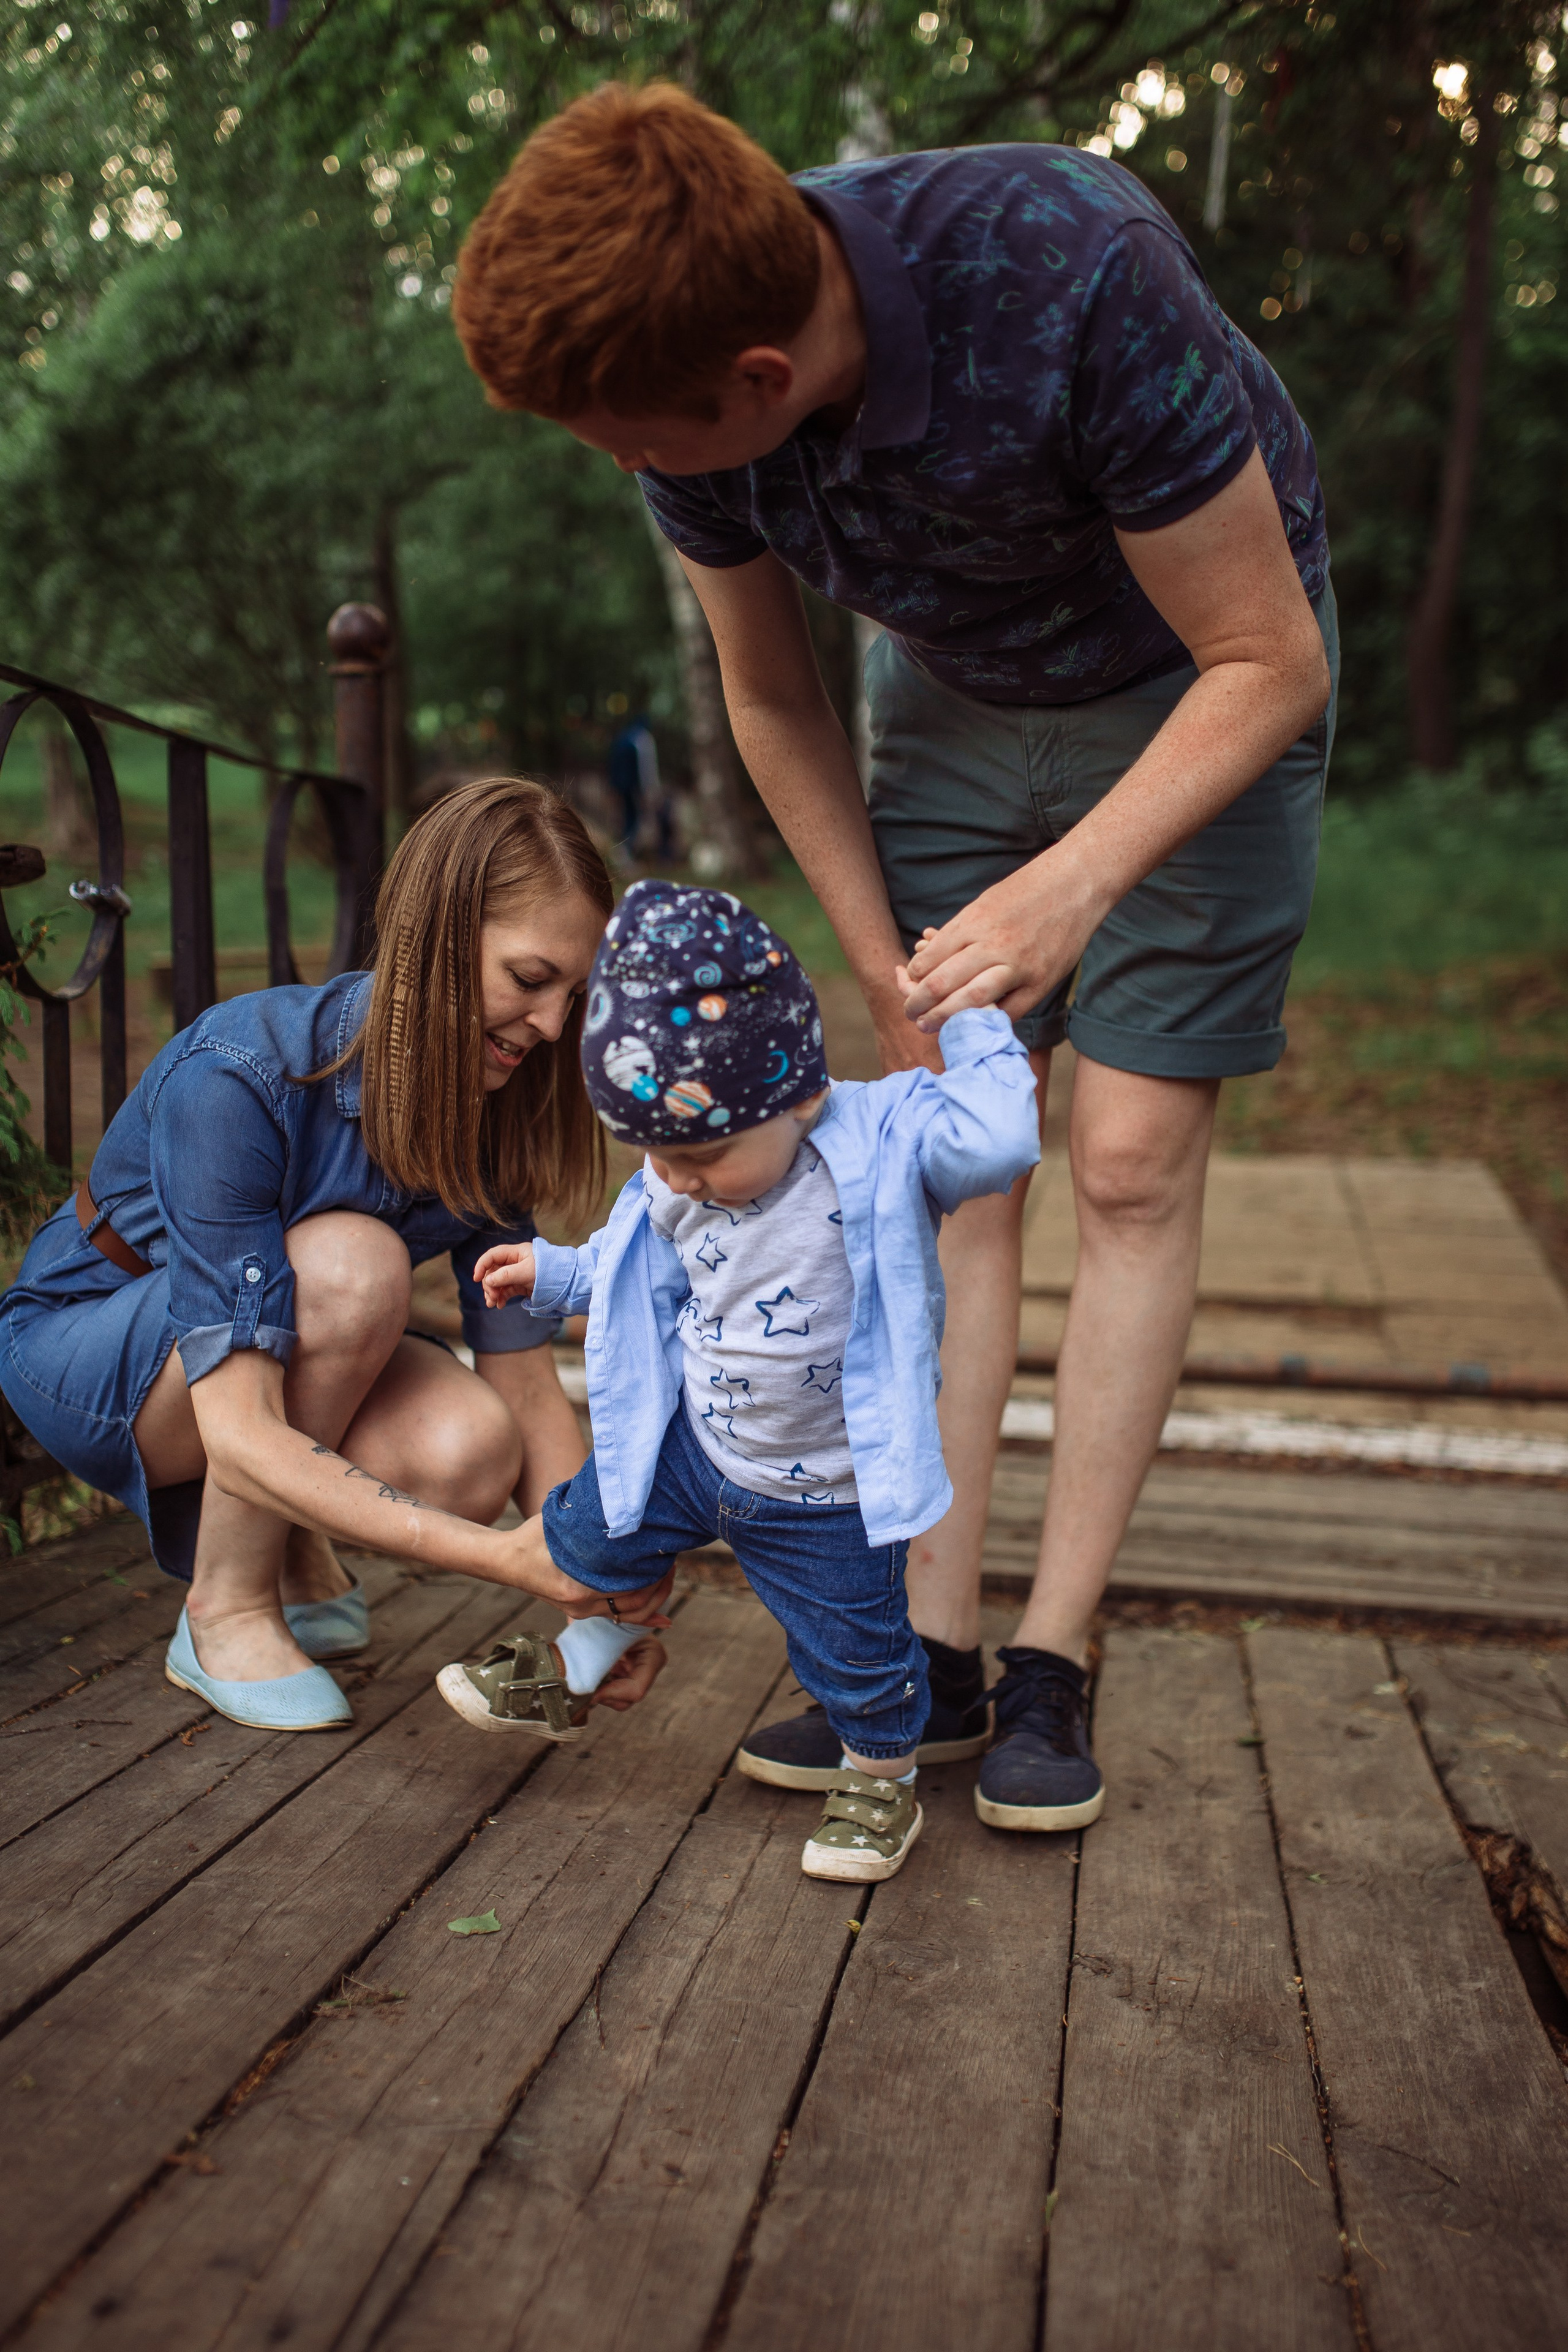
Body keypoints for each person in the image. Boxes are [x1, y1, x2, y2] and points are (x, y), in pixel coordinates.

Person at [451, 84, 1337, 1829]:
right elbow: (772, 693)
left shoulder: (1074, 273)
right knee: (945, 1177)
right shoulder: (688, 380)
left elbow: (1270, 657)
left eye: (632, 442)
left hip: (1201, 682)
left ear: (758, 380)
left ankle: (1054, 1655)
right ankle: (934, 1650)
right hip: (944, 697)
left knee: (1128, 1162)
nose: (625, 467)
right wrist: (877, 966)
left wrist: (1072, 886)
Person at [0, 780, 670, 1733]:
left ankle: (292, 1557)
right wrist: (504, 1559)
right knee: (354, 1268)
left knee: (470, 1449)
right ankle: (226, 1607)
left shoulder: (487, 1110)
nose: (555, 1027)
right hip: (94, 1348)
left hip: (264, 1353)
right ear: (437, 938)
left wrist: (594, 1593)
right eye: (530, 979)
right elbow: (238, 1425)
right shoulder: (239, 1074)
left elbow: (526, 1383)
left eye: (576, 996)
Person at [434, 880, 1041, 1877]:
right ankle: (576, 1664)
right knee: (586, 1534)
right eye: (654, 1154)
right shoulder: (676, 1168)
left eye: (703, 1154)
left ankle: (881, 1784)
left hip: (826, 1488)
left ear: (798, 1097)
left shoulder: (888, 1137)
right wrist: (557, 1274)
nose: (676, 1177)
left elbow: (1003, 1140)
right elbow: (638, 1259)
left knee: (859, 1656)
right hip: (697, 1445)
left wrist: (969, 1021)